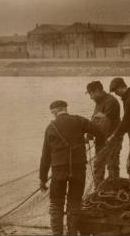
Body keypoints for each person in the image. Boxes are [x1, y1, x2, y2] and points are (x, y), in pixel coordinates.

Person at [40, 100, 104, 235]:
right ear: (65, 109)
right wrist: (88, 137)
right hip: (78, 169)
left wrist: (42, 179)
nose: (52, 114)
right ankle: (72, 232)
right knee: (74, 203)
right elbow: (99, 132)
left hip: (58, 170)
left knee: (56, 204)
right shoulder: (78, 121)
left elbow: (45, 156)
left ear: (55, 111)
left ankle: (57, 234)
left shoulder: (50, 127)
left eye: (52, 112)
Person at [85, 81, 122, 188]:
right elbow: (95, 120)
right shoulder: (99, 102)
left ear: (97, 91)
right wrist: (89, 135)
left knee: (112, 165)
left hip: (112, 140)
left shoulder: (112, 102)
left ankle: (113, 192)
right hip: (100, 140)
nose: (91, 97)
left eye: (91, 94)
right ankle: (98, 191)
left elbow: (104, 122)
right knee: (98, 166)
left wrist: (92, 132)